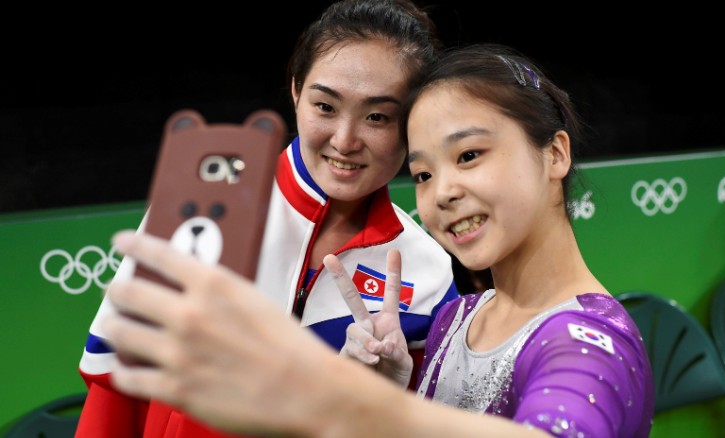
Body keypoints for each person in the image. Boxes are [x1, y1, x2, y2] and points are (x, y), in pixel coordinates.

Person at [101, 43, 654, 437]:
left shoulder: (589, 342)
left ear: (555, 154)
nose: (443, 193)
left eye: (469, 156)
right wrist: (389, 389)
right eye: (423, 174)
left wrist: (345, 403)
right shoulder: (456, 320)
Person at [76, 1, 459, 436]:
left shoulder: (426, 268)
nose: (345, 140)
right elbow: (114, 390)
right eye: (325, 107)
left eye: (378, 117)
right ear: (296, 91)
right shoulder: (202, 209)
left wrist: (379, 396)